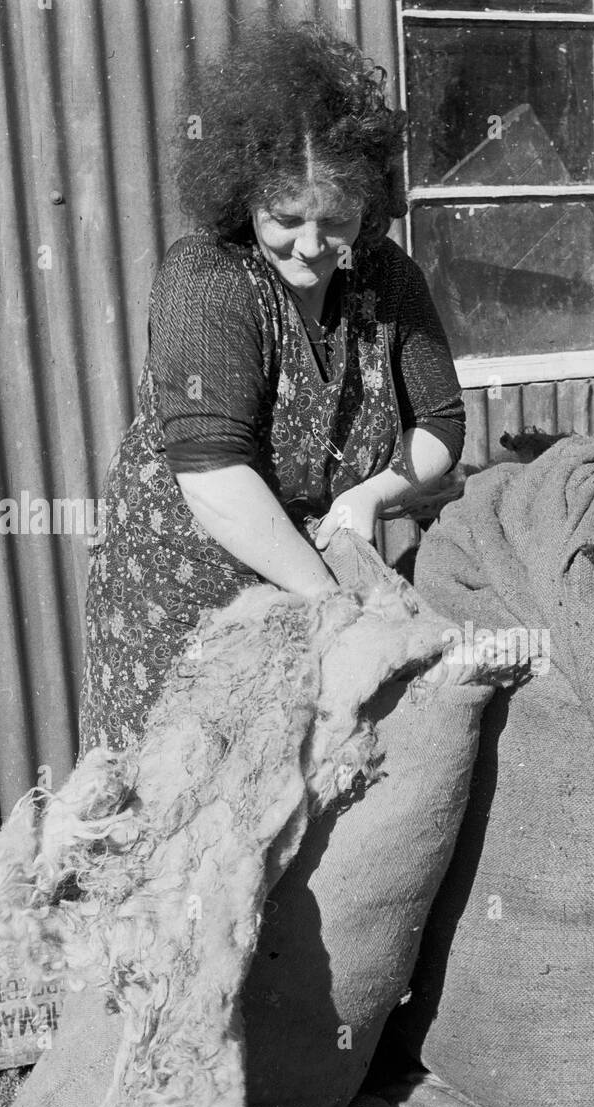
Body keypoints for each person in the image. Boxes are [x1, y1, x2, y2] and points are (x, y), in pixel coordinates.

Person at [80, 21, 464, 751]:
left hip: (319, 577)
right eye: (287, 219)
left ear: (369, 202)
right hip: (188, 599)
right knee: (181, 799)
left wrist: (369, 496)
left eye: (337, 218)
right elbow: (216, 476)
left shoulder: (387, 276)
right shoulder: (208, 281)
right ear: (242, 193)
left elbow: (441, 422)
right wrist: (330, 600)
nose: (313, 247)